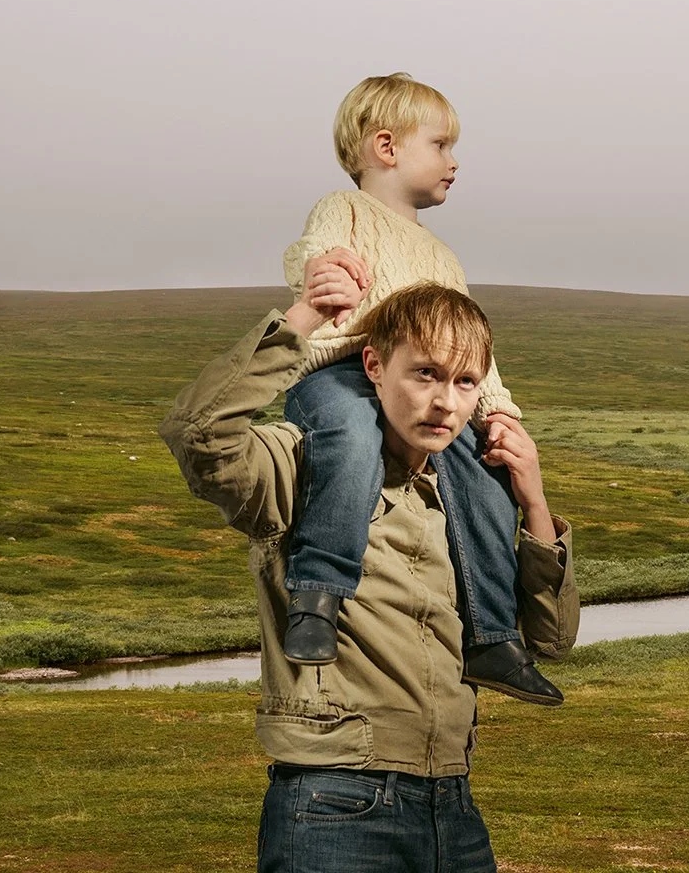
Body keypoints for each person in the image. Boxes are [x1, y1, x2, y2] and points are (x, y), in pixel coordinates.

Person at [159, 280, 579, 873]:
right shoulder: (299, 466)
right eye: (425, 374)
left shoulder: (468, 497)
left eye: (465, 382)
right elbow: (198, 434)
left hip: (453, 807)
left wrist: (534, 504)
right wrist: (304, 319)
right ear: (375, 367)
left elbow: (552, 641)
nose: (447, 404)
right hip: (333, 800)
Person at [276, 72, 561, 705]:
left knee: (486, 481)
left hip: (427, 391)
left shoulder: (444, 258)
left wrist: (497, 412)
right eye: (441, 145)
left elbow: (469, 351)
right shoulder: (342, 209)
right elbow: (315, 254)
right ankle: (318, 595)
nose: (454, 163)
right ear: (387, 147)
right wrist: (321, 274)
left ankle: (491, 639)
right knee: (349, 437)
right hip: (343, 373)